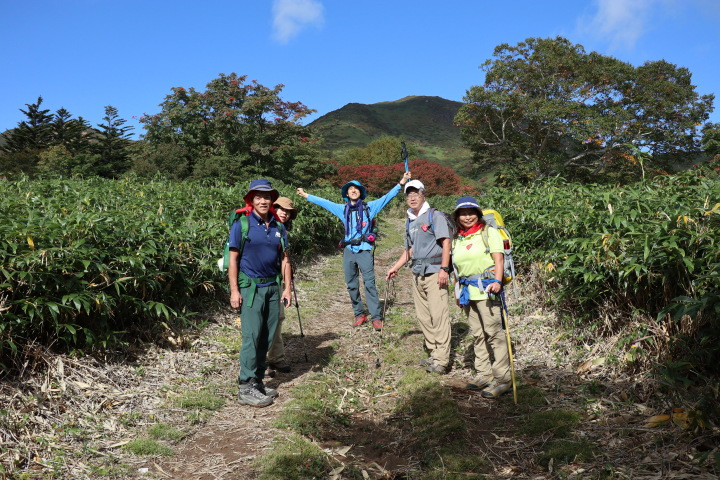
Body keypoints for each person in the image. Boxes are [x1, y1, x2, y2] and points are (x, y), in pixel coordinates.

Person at [297, 171, 411, 331]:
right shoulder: (341, 209)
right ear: (346, 193)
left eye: (356, 188)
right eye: (350, 189)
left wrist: (402, 182)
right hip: (349, 250)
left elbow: (387, 197)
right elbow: (324, 202)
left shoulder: (369, 208)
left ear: (360, 192)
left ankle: (376, 317)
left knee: (369, 284)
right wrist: (306, 195)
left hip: (364, 250)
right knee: (351, 285)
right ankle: (359, 314)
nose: (353, 190)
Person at [228, 179, 291, 407]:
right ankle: (246, 386)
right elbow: (233, 260)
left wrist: (287, 288)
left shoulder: (278, 226)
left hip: (272, 288)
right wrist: (235, 290)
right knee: (251, 337)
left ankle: (258, 382)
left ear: (272, 200)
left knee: (267, 335)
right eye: (258, 197)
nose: (263, 200)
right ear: (251, 200)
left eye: (267, 197)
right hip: (251, 288)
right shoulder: (242, 225)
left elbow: (285, 259)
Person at [386, 180, 452, 374]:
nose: (412, 198)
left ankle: (442, 360)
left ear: (424, 195)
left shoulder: (435, 216)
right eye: (408, 195)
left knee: (438, 316)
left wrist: (444, 269)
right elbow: (411, 250)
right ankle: (433, 352)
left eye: (416, 194)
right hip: (417, 273)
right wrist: (395, 267)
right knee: (424, 317)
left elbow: (446, 243)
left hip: (435, 272)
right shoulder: (410, 221)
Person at [450, 196, 511, 398]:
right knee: (477, 333)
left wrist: (497, 281)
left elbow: (498, 259)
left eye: (471, 212)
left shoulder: (489, 232)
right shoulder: (458, 238)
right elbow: (457, 269)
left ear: (478, 214)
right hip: (468, 291)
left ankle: (503, 379)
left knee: (494, 333)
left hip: (487, 289)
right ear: (457, 217)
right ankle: (484, 373)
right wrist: (458, 292)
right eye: (463, 213)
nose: (468, 217)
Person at [265, 196, 297, 377]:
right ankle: (263, 360)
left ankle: (276, 357)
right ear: (274, 208)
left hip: (276, 279)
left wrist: (287, 286)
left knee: (277, 318)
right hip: (260, 280)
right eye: (282, 209)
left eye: (288, 212)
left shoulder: (281, 229)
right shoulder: (263, 226)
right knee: (265, 322)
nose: (285, 214)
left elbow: (285, 259)